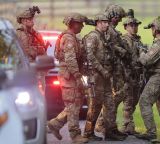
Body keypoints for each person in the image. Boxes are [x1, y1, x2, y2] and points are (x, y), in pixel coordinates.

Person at [47, 13, 89, 144]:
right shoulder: (69, 39)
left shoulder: (73, 38)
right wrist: (77, 76)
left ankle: (55, 123)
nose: (82, 26)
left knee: (75, 103)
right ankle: (75, 135)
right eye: (80, 23)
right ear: (73, 24)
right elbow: (70, 59)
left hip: (70, 75)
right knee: (73, 106)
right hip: (69, 76)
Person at [83, 13, 125, 141]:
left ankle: (110, 131)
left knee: (110, 103)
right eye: (104, 22)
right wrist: (102, 70)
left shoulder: (104, 37)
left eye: (107, 22)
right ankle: (88, 132)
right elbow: (90, 56)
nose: (107, 24)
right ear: (98, 23)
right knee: (95, 105)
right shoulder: (93, 36)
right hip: (96, 76)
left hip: (106, 76)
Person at [135, 19, 160, 142]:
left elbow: (146, 61)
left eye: (152, 29)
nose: (151, 31)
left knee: (144, 101)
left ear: (155, 29)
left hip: (158, 77)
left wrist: (141, 51)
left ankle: (151, 132)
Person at [94, 4, 128, 140]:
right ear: (112, 16)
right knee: (113, 98)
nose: (119, 20)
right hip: (110, 70)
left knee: (114, 98)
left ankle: (109, 126)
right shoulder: (107, 30)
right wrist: (120, 50)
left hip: (116, 68)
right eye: (117, 17)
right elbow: (107, 46)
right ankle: (105, 126)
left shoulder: (112, 29)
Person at [120, 9, 144, 135]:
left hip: (136, 75)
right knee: (128, 101)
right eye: (131, 25)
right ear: (125, 26)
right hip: (127, 75)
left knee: (134, 101)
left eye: (136, 25)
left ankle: (128, 126)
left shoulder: (137, 40)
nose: (134, 27)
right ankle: (125, 126)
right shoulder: (124, 40)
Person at [16, 6, 50, 92]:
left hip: (38, 71)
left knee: (41, 95)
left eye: (32, 19)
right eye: (29, 19)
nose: (32, 21)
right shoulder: (19, 34)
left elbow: (43, 52)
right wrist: (39, 50)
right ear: (23, 21)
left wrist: (45, 66)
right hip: (25, 71)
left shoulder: (36, 34)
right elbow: (27, 51)